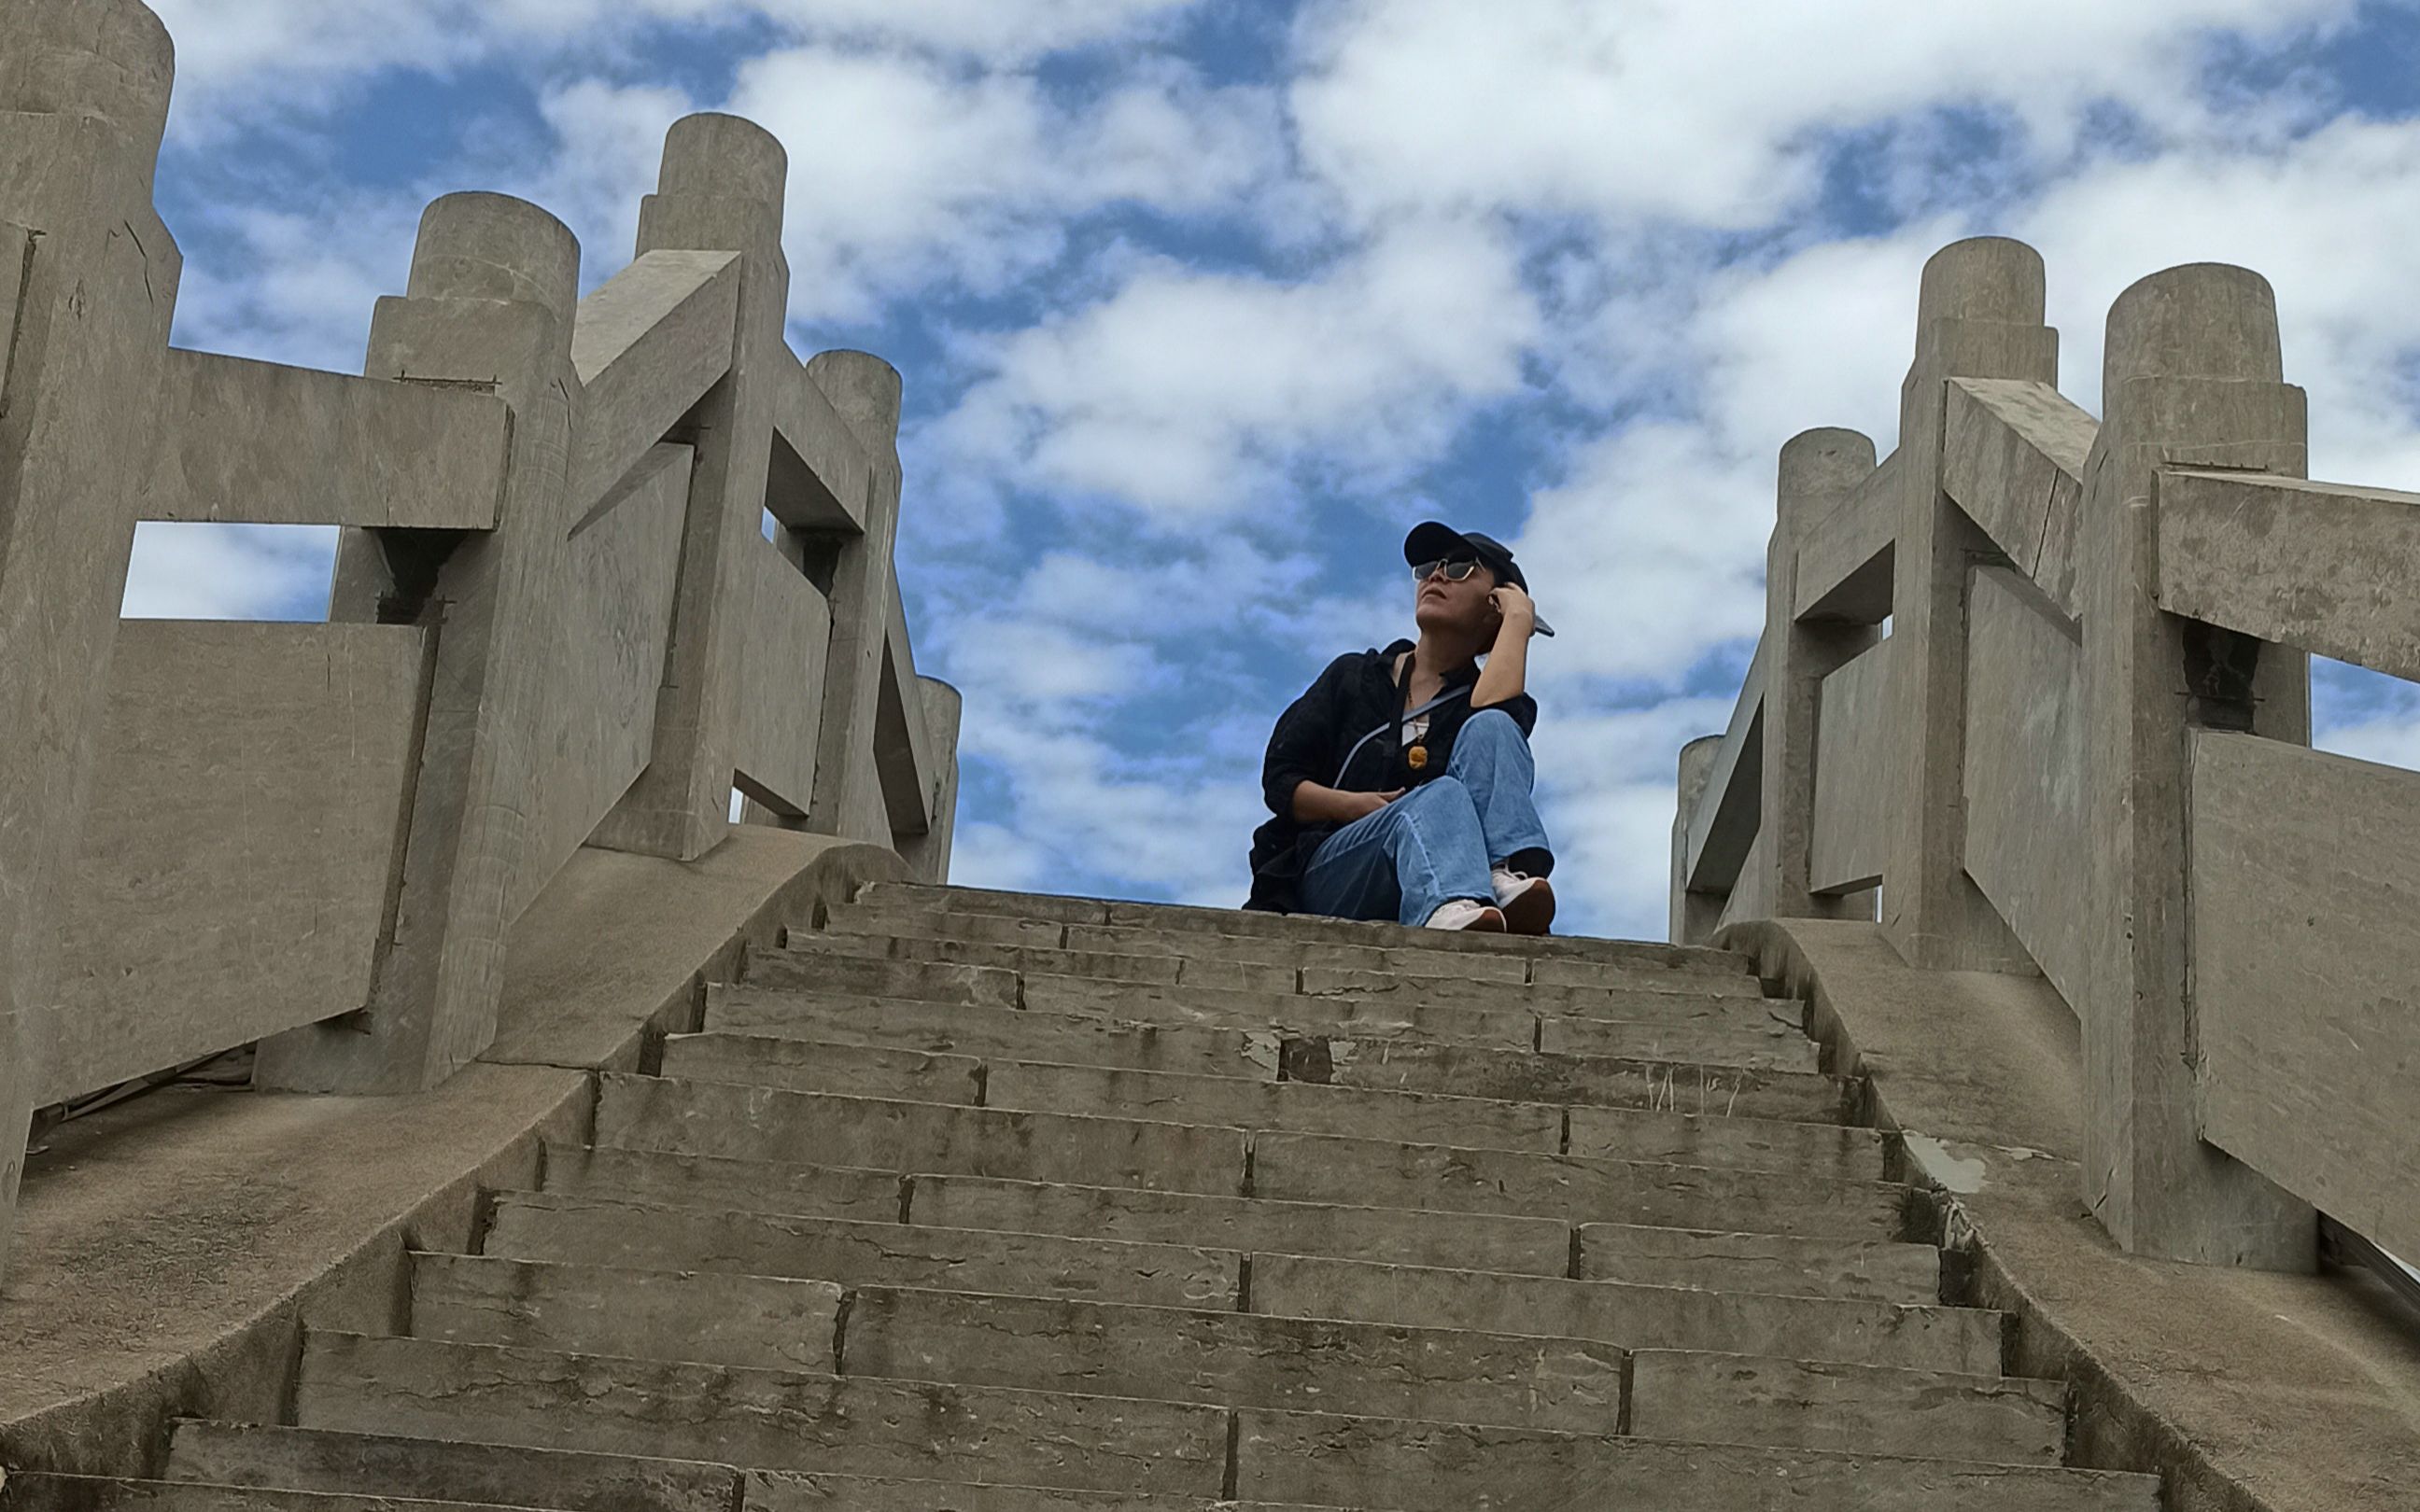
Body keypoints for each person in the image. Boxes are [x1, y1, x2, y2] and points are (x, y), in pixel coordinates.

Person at [1245, 522, 1556, 933]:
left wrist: (1518, 621)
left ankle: (1499, 876)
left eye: (1463, 566)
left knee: (1494, 727)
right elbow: (1281, 780)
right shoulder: (1355, 677)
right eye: (1430, 566)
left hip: (1468, 900)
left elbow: (1493, 715)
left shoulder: (1487, 700)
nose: (1438, 575)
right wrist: (1351, 806)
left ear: (1493, 606)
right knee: (1439, 794)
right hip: (1337, 874)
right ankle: (1448, 901)